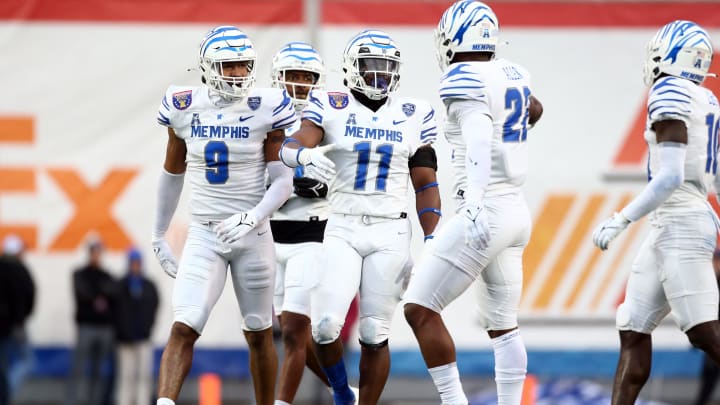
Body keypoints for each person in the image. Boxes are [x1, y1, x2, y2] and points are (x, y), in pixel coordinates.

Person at [279, 29, 441, 404]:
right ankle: (340, 392)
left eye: (387, 68)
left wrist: (432, 237)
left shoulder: (413, 113)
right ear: (353, 69)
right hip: (342, 223)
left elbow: (425, 182)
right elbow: (294, 143)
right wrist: (301, 156)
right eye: (371, 67)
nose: (379, 75)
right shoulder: (329, 104)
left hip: (390, 228)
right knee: (323, 327)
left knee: (373, 331)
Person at [402, 2, 544, 404]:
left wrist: (476, 199)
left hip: (488, 210)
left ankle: (453, 402)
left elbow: (480, 136)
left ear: (452, 37)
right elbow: (534, 108)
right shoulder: (512, 72)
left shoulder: (463, 77)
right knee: (503, 326)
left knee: (419, 309)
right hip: (517, 210)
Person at [152, 26, 295, 405]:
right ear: (208, 67)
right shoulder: (183, 105)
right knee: (185, 324)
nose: (236, 73)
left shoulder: (267, 105)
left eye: (243, 65)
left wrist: (255, 216)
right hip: (205, 233)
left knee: (259, 331)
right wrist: (158, 233)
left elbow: (283, 181)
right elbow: (172, 172)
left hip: (253, 235)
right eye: (228, 66)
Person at [590, 20, 720, 405]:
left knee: (702, 331)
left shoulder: (669, 91)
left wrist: (620, 219)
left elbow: (670, 177)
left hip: (680, 219)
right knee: (632, 326)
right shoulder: (707, 99)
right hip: (677, 221)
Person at [268, 41, 342, 405]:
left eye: (306, 77)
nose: (298, 84)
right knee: (287, 331)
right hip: (269, 235)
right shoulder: (262, 116)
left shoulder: (326, 119)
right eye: (292, 76)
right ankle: (341, 388)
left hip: (312, 231)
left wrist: (318, 184)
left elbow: (342, 175)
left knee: (297, 328)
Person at [66, 238, 118, 405]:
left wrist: (96, 295)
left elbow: (113, 292)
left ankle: (93, 401)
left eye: (98, 252)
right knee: (78, 369)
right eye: (94, 252)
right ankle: (72, 401)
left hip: (104, 329)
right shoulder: (80, 274)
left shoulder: (106, 275)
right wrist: (98, 296)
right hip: (86, 327)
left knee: (98, 370)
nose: (96, 255)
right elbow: (83, 293)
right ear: (90, 253)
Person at [114, 248, 159, 405]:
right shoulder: (120, 285)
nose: (135, 266)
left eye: (137, 263)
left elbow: (154, 308)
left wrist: (147, 328)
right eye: (132, 263)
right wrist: (123, 332)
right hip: (125, 340)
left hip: (143, 338)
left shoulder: (148, 286)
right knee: (126, 376)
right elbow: (116, 312)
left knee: (144, 376)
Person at [0, 235, 35, 405]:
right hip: (14, 326)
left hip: (5, 327)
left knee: (4, 366)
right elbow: (29, 296)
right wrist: (20, 319)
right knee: (25, 360)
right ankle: (6, 393)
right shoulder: (19, 270)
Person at [693, 248, 720, 405]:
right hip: (713, 336)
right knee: (709, 375)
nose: (715, 264)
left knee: (710, 372)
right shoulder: (710, 282)